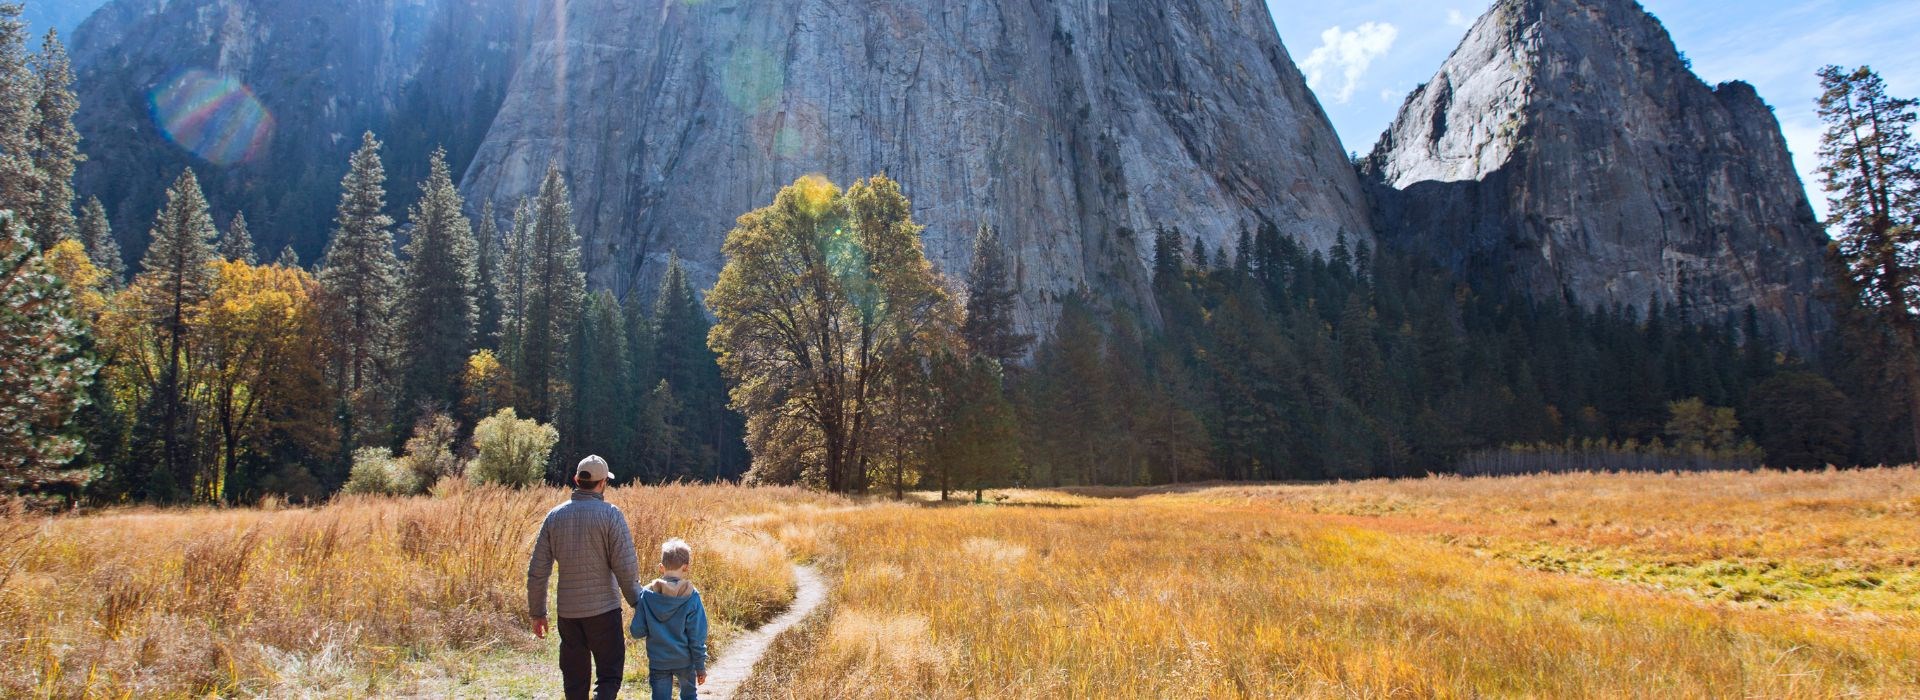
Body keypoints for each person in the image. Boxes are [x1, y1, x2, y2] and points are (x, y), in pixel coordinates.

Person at [528, 455, 643, 700]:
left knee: (574, 682)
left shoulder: (554, 517)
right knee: (609, 676)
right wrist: (638, 603)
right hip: (604, 612)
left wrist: (537, 612)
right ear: (602, 483)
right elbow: (625, 567)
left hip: (568, 614)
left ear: (576, 480)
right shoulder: (611, 515)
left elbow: (538, 571)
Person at [631, 538, 711, 700]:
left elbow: (637, 631)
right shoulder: (692, 596)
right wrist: (700, 667)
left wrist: (653, 624)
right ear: (686, 567)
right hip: (685, 661)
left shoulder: (647, 595)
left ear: (661, 567)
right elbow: (697, 636)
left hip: (659, 661)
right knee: (689, 696)